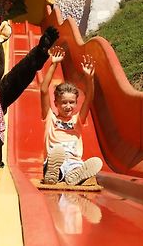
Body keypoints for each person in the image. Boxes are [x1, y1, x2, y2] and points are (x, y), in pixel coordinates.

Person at [40, 46, 102, 185]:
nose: (68, 106)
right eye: (64, 103)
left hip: (73, 160)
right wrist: (54, 64)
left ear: (76, 103)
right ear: (55, 103)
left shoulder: (77, 119)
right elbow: (44, 89)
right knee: (56, 162)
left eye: (72, 102)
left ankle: (75, 176)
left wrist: (89, 78)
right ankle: (55, 174)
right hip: (55, 158)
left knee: (77, 167)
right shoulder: (50, 117)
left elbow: (89, 97)